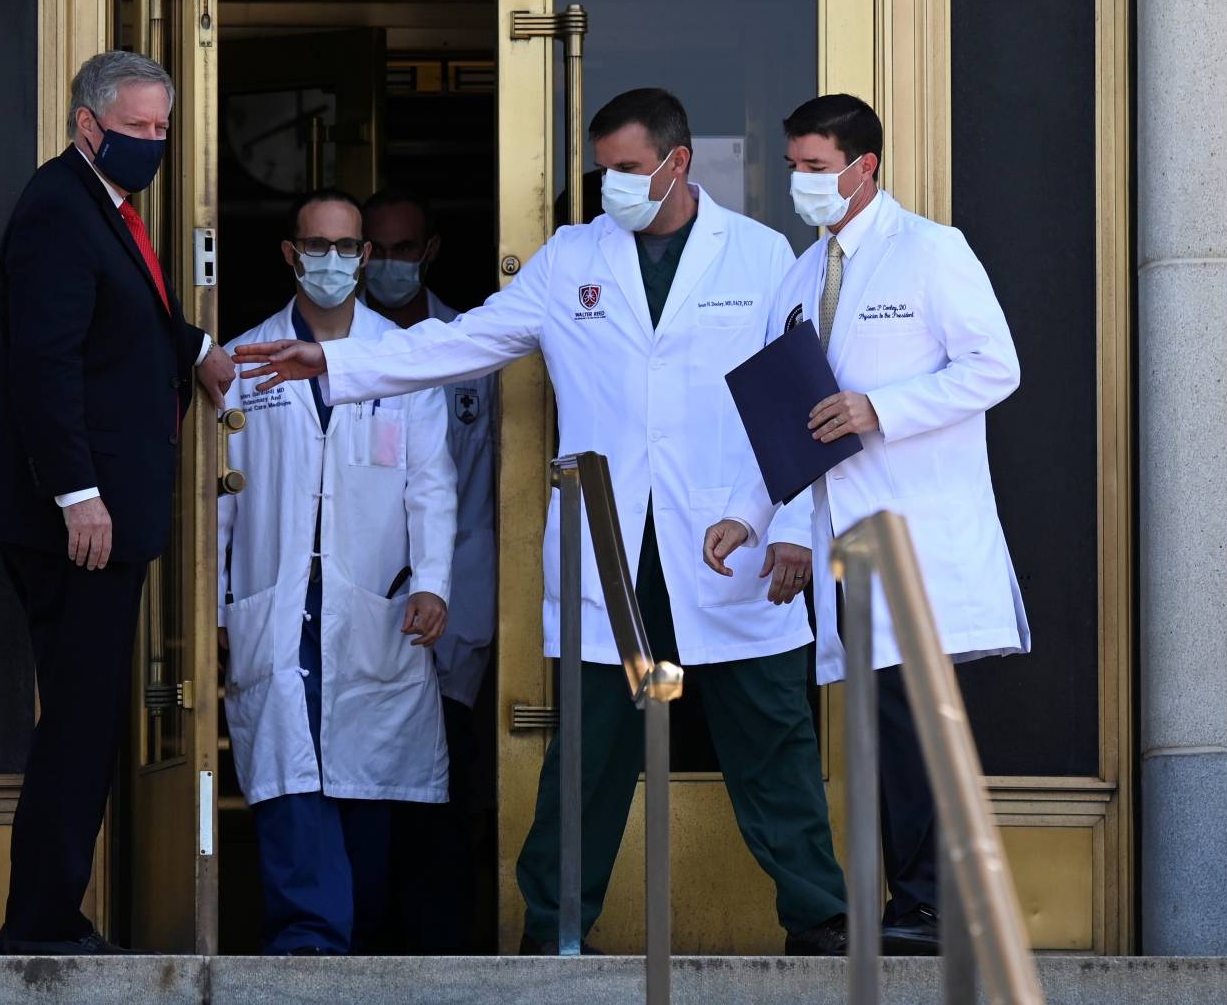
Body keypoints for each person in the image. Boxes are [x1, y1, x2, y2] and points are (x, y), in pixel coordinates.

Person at [234, 88, 852, 956]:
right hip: (607, 538)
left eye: (630, 171)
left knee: (771, 732)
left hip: (728, 540)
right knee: (591, 750)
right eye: (603, 172)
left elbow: (797, 398)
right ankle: (557, 930)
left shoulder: (758, 255)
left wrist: (787, 523)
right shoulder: (570, 261)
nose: (614, 188)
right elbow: (458, 343)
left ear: (678, 163)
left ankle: (819, 917)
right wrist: (334, 359)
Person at [703, 93, 1031, 956]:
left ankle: (926, 905)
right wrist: (750, 515)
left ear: (864, 168)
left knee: (910, 714)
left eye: (816, 168)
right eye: (795, 168)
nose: (802, 183)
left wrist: (879, 408)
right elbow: (784, 411)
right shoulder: (801, 274)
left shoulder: (931, 251)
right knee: (880, 719)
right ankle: (912, 901)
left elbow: (995, 368)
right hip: (841, 537)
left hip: (916, 528)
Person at [0, 50, 236, 955]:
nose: (153, 144)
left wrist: (194, 345)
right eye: (137, 130)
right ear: (89, 126)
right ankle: (42, 927)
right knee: (80, 725)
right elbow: (45, 363)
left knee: (87, 719)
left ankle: (46, 918)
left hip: (99, 520)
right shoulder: (58, 208)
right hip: (74, 524)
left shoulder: (99, 207)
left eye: (163, 128)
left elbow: (126, 315)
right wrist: (78, 495)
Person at [217, 188, 457, 956]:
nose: (334, 261)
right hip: (280, 599)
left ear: (363, 255)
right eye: (316, 246)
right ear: (291, 254)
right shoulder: (246, 361)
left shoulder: (401, 357)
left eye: (348, 247)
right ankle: (308, 947)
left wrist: (433, 581)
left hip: (371, 601)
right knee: (292, 779)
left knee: (365, 782)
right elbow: (222, 497)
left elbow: (432, 481)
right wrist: (216, 605)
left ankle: (358, 946)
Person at [361, 189, 498, 953]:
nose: (385, 266)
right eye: (372, 251)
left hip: (461, 609)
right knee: (374, 788)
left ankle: (443, 951)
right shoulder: (352, 349)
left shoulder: (472, 344)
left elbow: (489, 487)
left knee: (449, 794)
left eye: (401, 249)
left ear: (432, 251)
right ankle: (371, 953)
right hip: (368, 604)